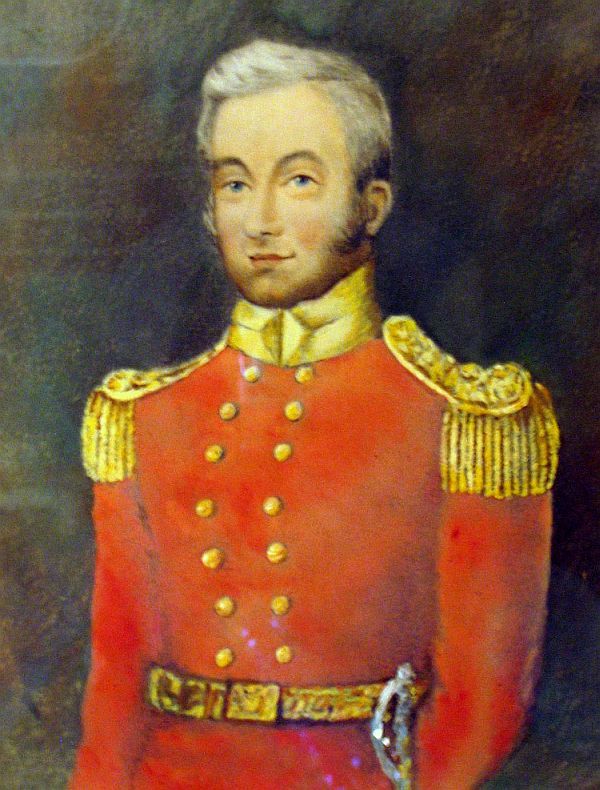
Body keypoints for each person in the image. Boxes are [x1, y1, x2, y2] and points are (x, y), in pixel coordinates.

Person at [71, 40, 559, 789]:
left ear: (372, 206)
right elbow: (114, 699)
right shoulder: (143, 415)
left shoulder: (465, 421)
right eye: (236, 183)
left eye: (299, 180)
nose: (260, 220)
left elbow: (481, 713)